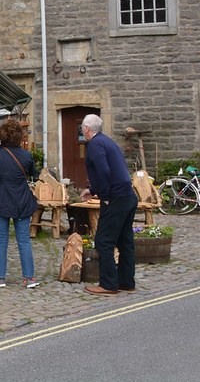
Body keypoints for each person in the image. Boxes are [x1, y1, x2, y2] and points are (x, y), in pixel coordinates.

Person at [80, 113, 137, 295]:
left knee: (103, 241)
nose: (81, 130)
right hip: (128, 195)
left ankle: (108, 284)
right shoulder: (107, 141)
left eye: (82, 127)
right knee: (125, 241)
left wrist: (104, 195)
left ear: (87, 129)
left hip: (115, 198)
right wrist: (93, 190)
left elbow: (103, 170)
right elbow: (111, 171)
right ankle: (126, 281)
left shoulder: (95, 144)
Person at [0, 119, 39, 288]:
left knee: (1, 241)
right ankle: (29, 278)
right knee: (24, 241)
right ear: (19, 136)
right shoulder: (26, 156)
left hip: (1, 202)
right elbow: (34, 174)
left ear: (2, 136)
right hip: (22, 202)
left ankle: (0, 278)